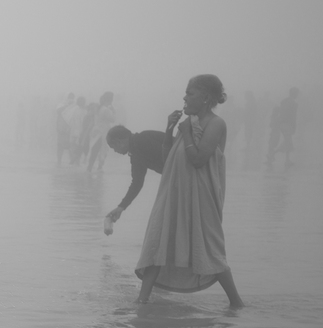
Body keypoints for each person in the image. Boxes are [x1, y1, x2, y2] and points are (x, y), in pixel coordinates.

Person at [136, 74, 243, 309]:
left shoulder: (215, 124)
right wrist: (169, 130)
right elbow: (168, 161)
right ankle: (141, 301)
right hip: (175, 193)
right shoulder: (189, 123)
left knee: (209, 247)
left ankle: (236, 303)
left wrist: (185, 132)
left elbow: (198, 159)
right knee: (160, 240)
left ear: (205, 97)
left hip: (201, 198)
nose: (184, 97)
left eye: (190, 93)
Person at [103, 125, 168, 227]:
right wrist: (121, 207)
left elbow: (171, 156)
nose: (115, 151)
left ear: (118, 141)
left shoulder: (142, 140)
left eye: (113, 147)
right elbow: (137, 183)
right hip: (178, 175)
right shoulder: (135, 152)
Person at [266, 87, 299, 168]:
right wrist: (294, 126)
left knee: (288, 141)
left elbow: (281, 112)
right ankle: (274, 156)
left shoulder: (284, 101)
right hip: (287, 124)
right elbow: (292, 116)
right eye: (296, 93)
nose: (297, 95)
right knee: (288, 141)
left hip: (282, 123)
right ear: (293, 93)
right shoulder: (292, 103)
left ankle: (281, 158)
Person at [87, 92, 116, 172]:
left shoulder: (98, 108)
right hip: (103, 132)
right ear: (110, 100)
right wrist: (113, 110)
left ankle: (89, 168)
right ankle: (98, 168)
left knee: (94, 150)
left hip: (96, 131)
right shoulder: (106, 110)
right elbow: (113, 119)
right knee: (102, 150)